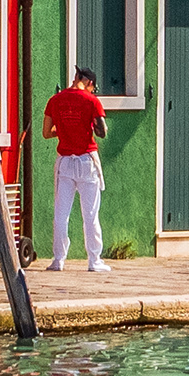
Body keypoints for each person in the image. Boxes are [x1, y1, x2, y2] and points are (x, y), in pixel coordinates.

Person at [41, 66, 110, 273]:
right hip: (87, 161)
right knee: (90, 214)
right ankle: (94, 260)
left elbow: (46, 132)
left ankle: (58, 259)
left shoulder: (55, 100)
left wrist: (62, 130)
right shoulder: (92, 101)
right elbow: (102, 132)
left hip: (65, 163)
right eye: (93, 87)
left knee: (61, 214)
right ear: (89, 83)